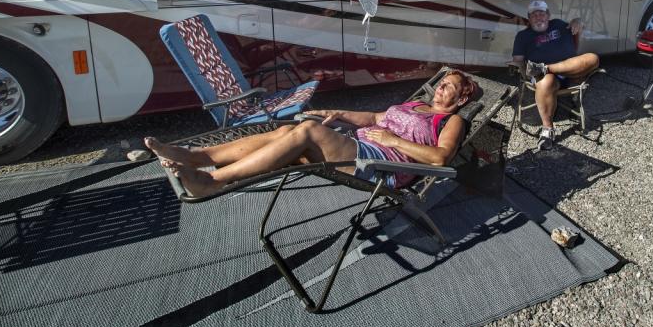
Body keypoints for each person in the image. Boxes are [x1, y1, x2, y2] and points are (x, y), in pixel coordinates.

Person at [144, 70, 479, 198]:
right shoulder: (417, 105)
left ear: (461, 99)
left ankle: (213, 181)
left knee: (308, 133)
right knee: (292, 130)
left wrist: (393, 141)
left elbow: (440, 158)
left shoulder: (451, 123)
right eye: (440, 82)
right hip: (360, 146)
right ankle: (197, 157)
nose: (438, 88)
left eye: (447, 86)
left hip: (382, 167)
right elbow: (378, 115)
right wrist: (339, 114)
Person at [511, 0, 599, 150]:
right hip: (544, 78)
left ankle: (545, 68)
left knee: (593, 58)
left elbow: (577, 25)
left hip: (571, 69)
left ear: (549, 15)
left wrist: (578, 21)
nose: (538, 17)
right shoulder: (523, 36)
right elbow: (518, 61)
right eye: (534, 14)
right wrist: (520, 69)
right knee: (547, 81)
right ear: (529, 18)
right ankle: (547, 129)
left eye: (542, 13)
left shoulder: (558, 24)